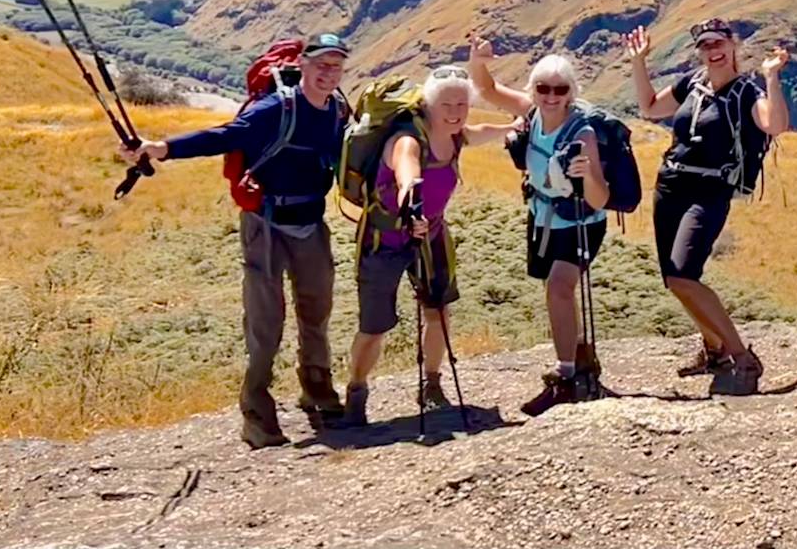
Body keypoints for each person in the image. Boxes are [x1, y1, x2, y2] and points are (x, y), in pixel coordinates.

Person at [121, 33, 352, 449]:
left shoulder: (337, 110)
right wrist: (161, 149)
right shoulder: (275, 109)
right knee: (266, 322)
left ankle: (317, 390)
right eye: (321, 64)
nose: (328, 73)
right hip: (265, 223)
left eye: (335, 66)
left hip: (310, 222)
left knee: (316, 310)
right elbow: (223, 137)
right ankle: (256, 413)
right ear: (302, 65)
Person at [336, 65, 512, 428]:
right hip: (384, 240)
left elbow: (478, 132)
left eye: (462, 104)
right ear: (429, 104)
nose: (455, 112)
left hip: (431, 235)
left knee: (438, 312)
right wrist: (409, 200)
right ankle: (356, 391)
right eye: (447, 104)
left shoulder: (455, 135)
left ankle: (431, 385)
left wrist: (514, 127)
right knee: (374, 327)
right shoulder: (408, 140)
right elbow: (406, 170)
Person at [625, 18, 790, 395]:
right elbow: (650, 107)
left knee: (684, 274)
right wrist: (638, 62)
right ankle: (714, 350)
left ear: (733, 45)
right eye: (705, 45)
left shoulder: (746, 92)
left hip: (709, 191)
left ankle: (742, 356)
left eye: (718, 43)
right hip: (670, 185)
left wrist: (772, 78)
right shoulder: (692, 83)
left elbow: (775, 125)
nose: (713, 51)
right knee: (673, 280)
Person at [466, 42, 614, 416]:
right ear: (533, 90)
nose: (551, 96)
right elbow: (487, 89)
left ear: (571, 92)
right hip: (543, 217)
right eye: (543, 88)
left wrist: (587, 175)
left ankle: (566, 377)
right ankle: (580, 356)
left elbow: (600, 198)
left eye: (560, 89)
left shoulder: (583, 134)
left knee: (559, 288)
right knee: (556, 289)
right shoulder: (530, 112)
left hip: (581, 221)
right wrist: (477, 62)